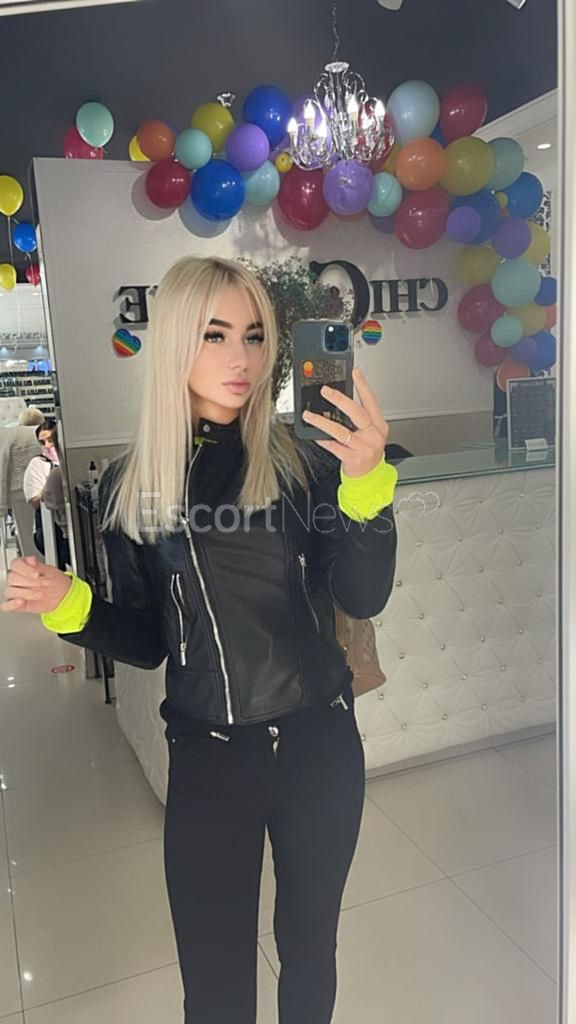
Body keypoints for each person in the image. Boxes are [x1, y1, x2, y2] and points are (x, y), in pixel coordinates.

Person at [0, 257, 398, 1024]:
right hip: (210, 761)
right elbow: (150, 638)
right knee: (215, 992)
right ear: (177, 342)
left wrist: (368, 486)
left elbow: (362, 596)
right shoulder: (130, 486)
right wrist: (70, 604)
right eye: (215, 334)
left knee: (310, 951)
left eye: (254, 335)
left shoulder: (307, 463)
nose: (240, 356)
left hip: (320, 748)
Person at [22, 419, 69, 570]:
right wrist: (49, 489)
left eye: (50, 440)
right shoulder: (37, 464)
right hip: (49, 527)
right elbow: (34, 502)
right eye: (42, 442)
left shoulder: (69, 462)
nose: (47, 446)